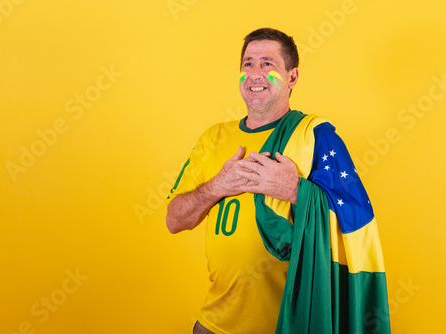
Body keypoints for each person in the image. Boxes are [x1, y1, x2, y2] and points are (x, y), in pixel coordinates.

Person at [166, 28, 390, 334]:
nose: (256, 74)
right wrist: (219, 185)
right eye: (248, 64)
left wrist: (296, 190)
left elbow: (357, 222)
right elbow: (175, 220)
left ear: (292, 77)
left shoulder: (314, 136)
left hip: (289, 324)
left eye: (268, 64)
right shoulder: (213, 138)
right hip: (214, 324)